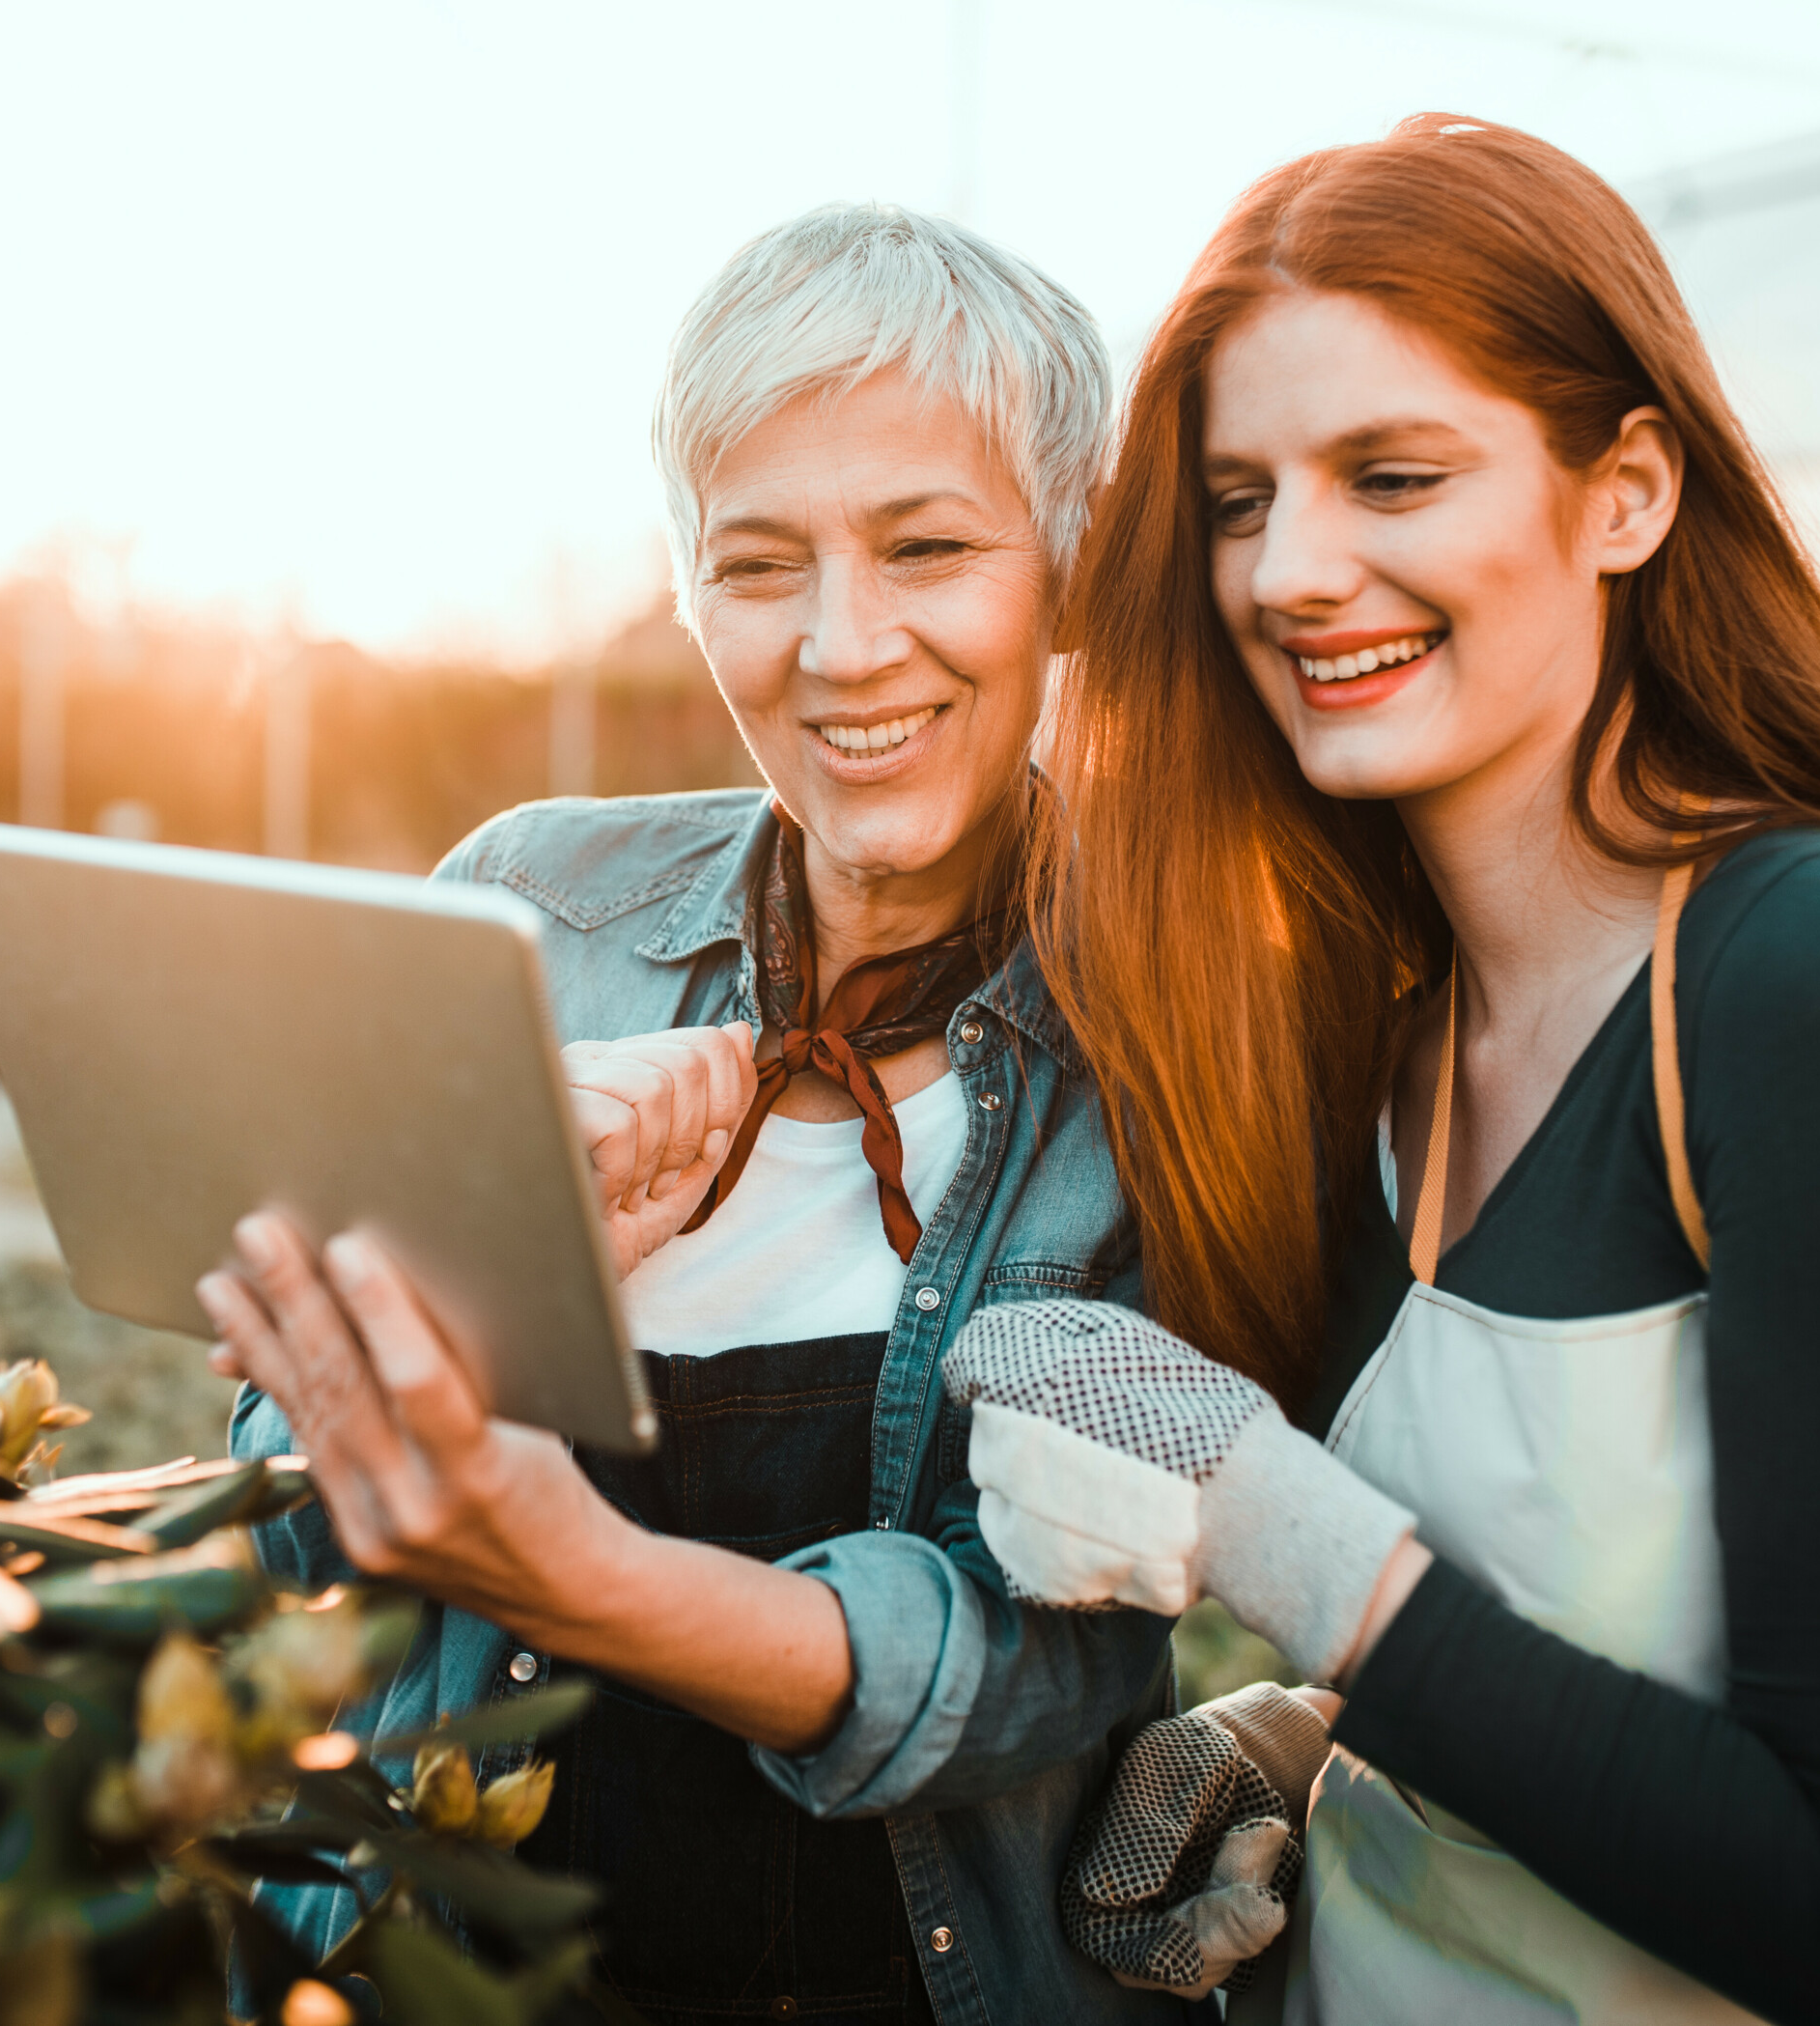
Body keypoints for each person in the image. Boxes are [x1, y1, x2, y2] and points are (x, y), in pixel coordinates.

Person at [207, 204, 1194, 2025]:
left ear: (1066, 562)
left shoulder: (1168, 1040)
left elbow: (1064, 1651)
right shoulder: (523, 918)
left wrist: (584, 1577)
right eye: (759, 564)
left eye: (928, 547)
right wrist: (491, 1271)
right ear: (684, 585)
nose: (843, 644)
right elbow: (280, 1523)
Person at [941, 116, 1820, 2023]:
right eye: (1235, 499)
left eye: (1393, 473)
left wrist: (1281, 1535)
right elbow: (1580, 1660)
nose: (1293, 569)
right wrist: (1316, 1736)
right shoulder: (1384, 1029)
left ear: (1625, 493)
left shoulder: (1810, 978)